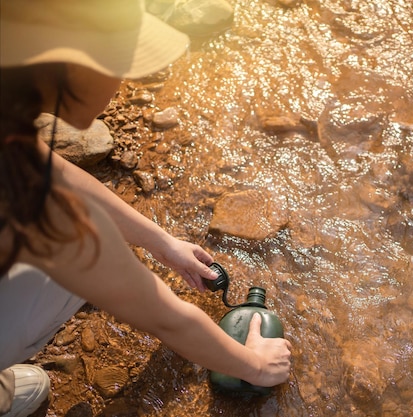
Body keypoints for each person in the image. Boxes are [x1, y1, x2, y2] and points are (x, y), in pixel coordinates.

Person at [0, 0, 292, 415]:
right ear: (74, 66)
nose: (124, 80)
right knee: (68, 273)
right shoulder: (35, 204)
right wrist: (258, 366)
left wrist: (160, 241)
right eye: (122, 62)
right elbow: (160, 315)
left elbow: (47, 167)